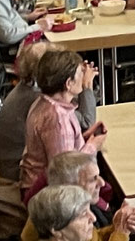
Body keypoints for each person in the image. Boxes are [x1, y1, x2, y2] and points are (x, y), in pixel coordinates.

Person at [20, 48, 106, 200]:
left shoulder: (43, 102)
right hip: (45, 195)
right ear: (68, 83)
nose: (84, 76)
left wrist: (83, 137)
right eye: (81, 73)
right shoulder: (57, 118)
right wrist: (92, 146)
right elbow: (64, 171)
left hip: (37, 185)